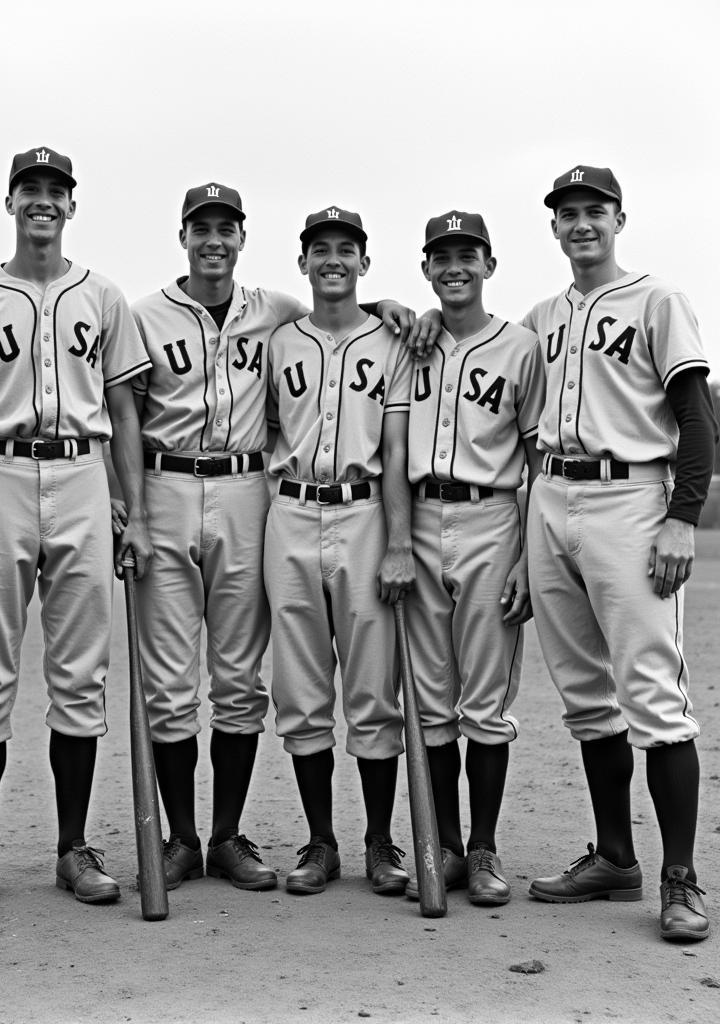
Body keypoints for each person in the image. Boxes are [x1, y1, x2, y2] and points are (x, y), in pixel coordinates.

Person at [129, 184, 430, 891]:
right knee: (244, 685)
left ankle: (347, 840)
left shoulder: (322, 324)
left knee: (318, 684)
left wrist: (393, 305)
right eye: (200, 228)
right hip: (242, 499)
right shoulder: (198, 321)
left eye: (226, 228)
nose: (213, 240)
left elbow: (359, 340)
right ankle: (227, 840)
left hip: (305, 503)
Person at [0, 146, 152, 911]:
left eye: (55, 190)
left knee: (80, 672)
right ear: (10, 202)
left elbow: (124, 410)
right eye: (30, 189)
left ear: (70, 204)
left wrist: (133, 509)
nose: (43, 201)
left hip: (82, 471)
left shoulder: (104, 295)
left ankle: (71, 847)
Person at [522, 165, 717, 942]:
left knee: (655, 699)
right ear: (556, 228)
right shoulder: (541, 316)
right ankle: (613, 856)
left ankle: (681, 879)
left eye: (594, 210)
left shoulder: (657, 300)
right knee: (585, 696)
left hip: (631, 499)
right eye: (567, 213)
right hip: (549, 497)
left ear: (620, 218)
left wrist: (684, 517)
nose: (581, 224)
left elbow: (695, 416)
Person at [263, 206, 415, 896]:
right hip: (290, 510)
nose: (333, 259)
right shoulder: (278, 337)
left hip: (363, 515)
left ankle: (380, 841)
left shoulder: (391, 339)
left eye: (346, 249)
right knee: (299, 688)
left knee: (372, 687)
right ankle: (320, 841)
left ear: (364, 262)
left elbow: (395, 448)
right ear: (302, 262)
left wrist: (399, 544)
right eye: (320, 249)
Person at [402, 211, 545, 907]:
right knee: (430, 705)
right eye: (441, 256)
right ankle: (448, 848)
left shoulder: (521, 347)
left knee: (483, 704)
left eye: (468, 255)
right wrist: (402, 309)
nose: (454, 266)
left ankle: (485, 846)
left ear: (490, 264)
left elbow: (540, 457)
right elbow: (346, 313)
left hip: (493, 519)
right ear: (426, 268)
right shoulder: (411, 338)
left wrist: (527, 555)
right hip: (420, 519)